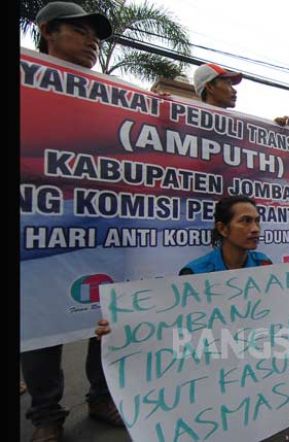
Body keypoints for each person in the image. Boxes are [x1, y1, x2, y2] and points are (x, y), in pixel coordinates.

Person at [22, 3, 122, 440]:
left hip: (103, 233)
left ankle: (100, 396)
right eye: (79, 32)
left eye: (95, 36)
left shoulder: (114, 97)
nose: (91, 42)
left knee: (106, 318)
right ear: (47, 32)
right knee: (42, 319)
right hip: (38, 231)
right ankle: (46, 416)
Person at [96, 195, 273, 340]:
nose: (255, 229)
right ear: (223, 229)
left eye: (257, 221)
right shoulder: (194, 273)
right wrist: (118, 328)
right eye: (246, 221)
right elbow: (171, 321)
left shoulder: (264, 264)